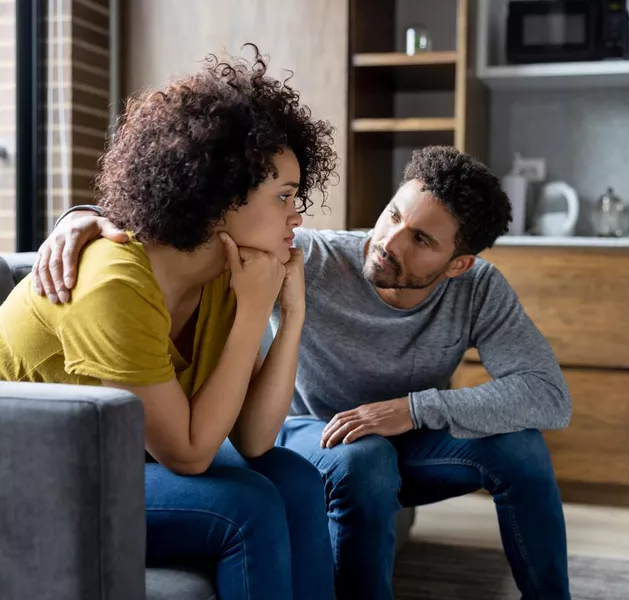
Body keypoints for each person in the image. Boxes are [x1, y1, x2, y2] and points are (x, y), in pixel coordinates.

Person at [33, 145, 573, 600]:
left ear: (459, 265)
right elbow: (177, 219)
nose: (390, 241)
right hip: (312, 434)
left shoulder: (480, 289)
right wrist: (79, 217)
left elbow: (549, 396)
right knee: (364, 459)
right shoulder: (312, 258)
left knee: (521, 449)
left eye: (422, 241)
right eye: (393, 216)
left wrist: (411, 410)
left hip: (411, 436)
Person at [0, 45, 338, 600]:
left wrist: (291, 315)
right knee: (245, 508)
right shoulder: (112, 279)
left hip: (119, 458)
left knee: (297, 480)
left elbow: (254, 438)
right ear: (217, 197)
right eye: (283, 197)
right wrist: (254, 309)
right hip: (34, 473)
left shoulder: (227, 275)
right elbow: (188, 452)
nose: (297, 216)